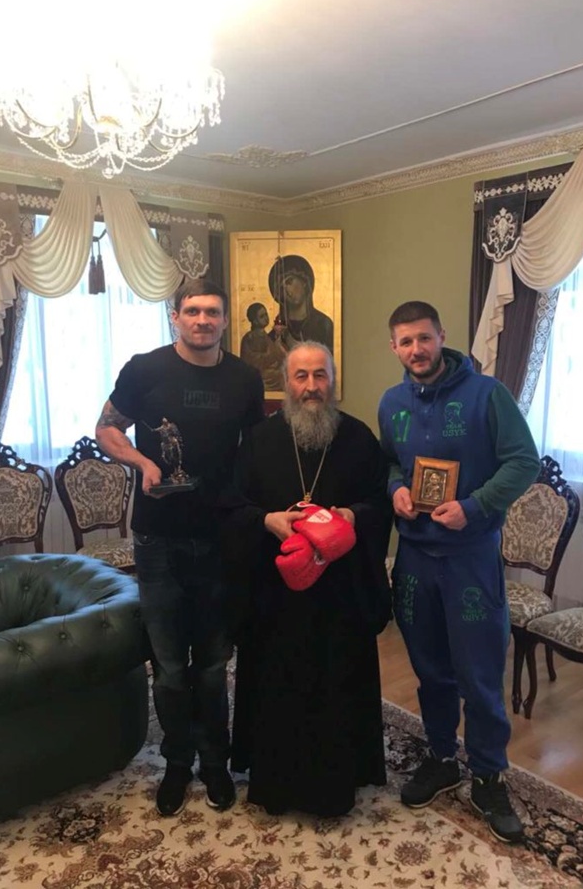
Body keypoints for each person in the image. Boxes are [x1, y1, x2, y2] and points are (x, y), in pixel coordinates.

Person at [95, 277, 264, 818]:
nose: (202, 320)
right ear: (175, 317)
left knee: (212, 665)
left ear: (225, 319)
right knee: (168, 666)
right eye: (192, 311)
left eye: (212, 312)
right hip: (158, 540)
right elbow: (106, 428)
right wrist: (142, 462)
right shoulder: (144, 369)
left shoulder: (245, 378)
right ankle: (176, 761)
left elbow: (257, 452)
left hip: (221, 540)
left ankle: (215, 762)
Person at [377, 300, 540, 844]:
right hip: (415, 560)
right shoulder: (391, 403)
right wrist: (395, 488)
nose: (416, 349)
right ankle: (443, 758)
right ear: (394, 347)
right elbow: (390, 461)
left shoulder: (487, 394)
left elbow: (524, 461)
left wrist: (474, 506)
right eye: (405, 341)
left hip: (470, 557)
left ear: (441, 336)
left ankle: (489, 777)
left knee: (480, 674)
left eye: (424, 338)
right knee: (430, 670)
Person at [225, 341, 392, 817]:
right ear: (286, 382)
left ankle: (337, 785)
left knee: (337, 686)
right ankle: (276, 786)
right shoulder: (259, 441)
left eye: (321, 375)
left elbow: (381, 505)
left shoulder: (358, 438)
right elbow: (234, 507)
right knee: (278, 686)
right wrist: (268, 520)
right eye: (301, 376)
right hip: (276, 595)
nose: (312, 386)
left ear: (333, 380)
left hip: (339, 594)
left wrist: (351, 516)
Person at [267, 254, 334, 351]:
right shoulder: (277, 331)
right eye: (281, 288)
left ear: (304, 281)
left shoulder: (323, 325)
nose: (287, 291)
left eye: (289, 282)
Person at [239, 302, 286, 391]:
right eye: (261, 316)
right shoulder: (250, 337)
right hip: (260, 375)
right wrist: (272, 355)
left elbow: (276, 353)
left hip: (270, 372)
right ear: (255, 321)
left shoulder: (266, 336)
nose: (266, 318)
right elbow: (252, 360)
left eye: (266, 314)